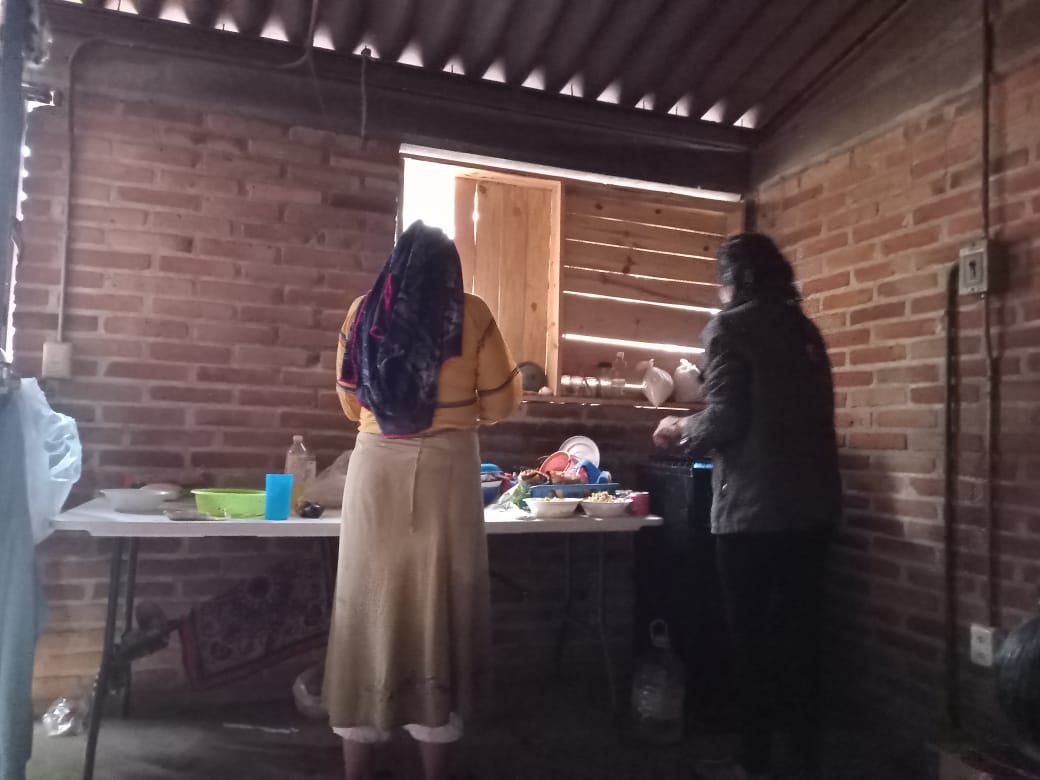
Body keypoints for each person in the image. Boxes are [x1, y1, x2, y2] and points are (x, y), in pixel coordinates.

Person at [324, 221, 522, 780]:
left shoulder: (363, 312)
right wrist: (457, 413)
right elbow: (504, 404)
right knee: (441, 603)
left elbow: (347, 403)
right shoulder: (473, 314)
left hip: (374, 469)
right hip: (447, 470)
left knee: (366, 601)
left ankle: (356, 766)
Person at [653, 233, 841, 780]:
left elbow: (727, 417)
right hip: (815, 508)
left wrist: (679, 428)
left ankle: (752, 763)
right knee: (803, 639)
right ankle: (807, 759)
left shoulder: (729, 327)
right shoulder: (805, 332)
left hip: (753, 516)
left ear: (736, 279)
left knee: (751, 642)